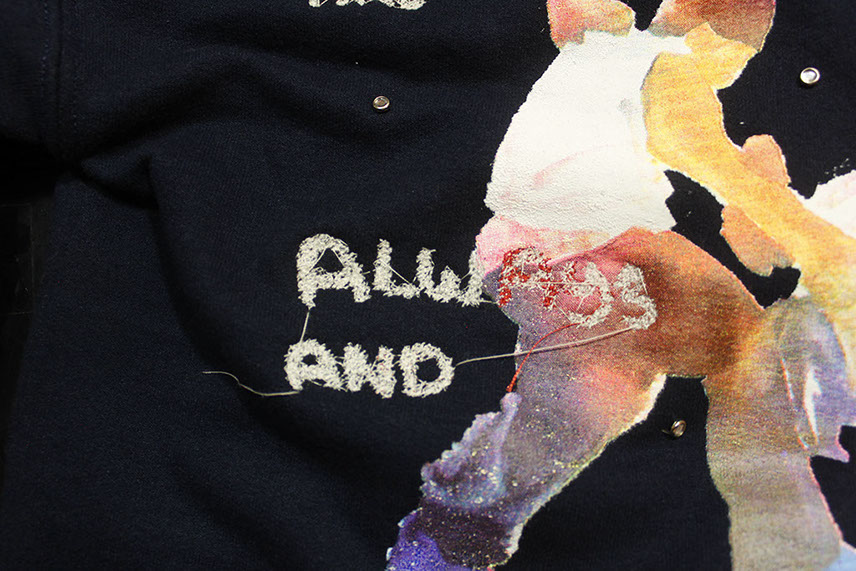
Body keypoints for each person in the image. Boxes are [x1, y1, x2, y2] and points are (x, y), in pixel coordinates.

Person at [1, 0, 854, 568]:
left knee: (583, 406)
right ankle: (792, 536)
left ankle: (450, 532)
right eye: (738, 51)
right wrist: (801, 229)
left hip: (547, 255)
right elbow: (705, 154)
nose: (738, 70)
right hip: (574, 251)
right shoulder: (662, 65)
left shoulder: (611, 53)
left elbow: (729, 201)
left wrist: (768, 206)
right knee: (741, 351)